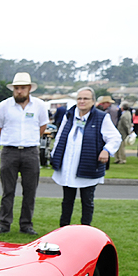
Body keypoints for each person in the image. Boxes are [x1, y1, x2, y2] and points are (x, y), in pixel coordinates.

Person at [50, 87, 121, 227]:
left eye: (86, 99)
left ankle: (86, 230)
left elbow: (115, 138)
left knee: (87, 201)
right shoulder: (69, 115)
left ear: (93, 101)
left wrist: (106, 150)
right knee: (67, 201)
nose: (82, 101)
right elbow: (60, 136)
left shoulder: (101, 117)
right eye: (79, 98)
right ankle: (64, 229)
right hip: (68, 165)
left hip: (88, 165)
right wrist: (54, 155)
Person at [0, 72, 48, 235]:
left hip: (31, 151)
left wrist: (30, 139)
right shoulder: (4, 106)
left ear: (29, 89)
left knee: (30, 190)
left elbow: (42, 127)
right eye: (16, 88)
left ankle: (26, 224)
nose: (19, 91)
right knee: (8, 189)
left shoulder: (39, 106)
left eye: (22, 88)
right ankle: (4, 223)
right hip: (10, 151)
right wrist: (11, 139)